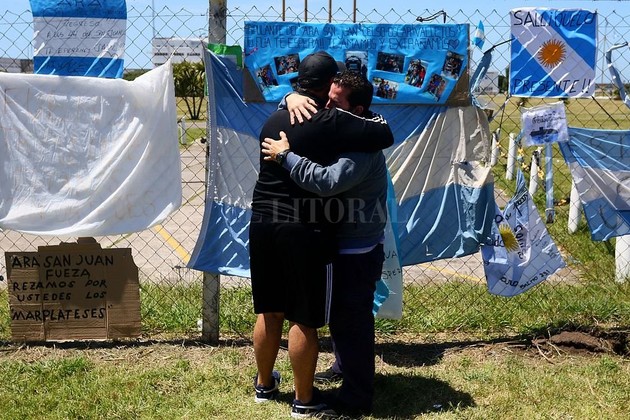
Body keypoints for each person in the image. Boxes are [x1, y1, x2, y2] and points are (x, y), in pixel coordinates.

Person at [249, 51, 393, 418]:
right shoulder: (331, 122)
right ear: (327, 85)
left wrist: (288, 100)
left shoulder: (274, 119)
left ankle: (264, 385)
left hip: (262, 222)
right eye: (331, 91)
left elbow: (331, 176)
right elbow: (383, 132)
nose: (331, 101)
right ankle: (304, 400)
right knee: (304, 317)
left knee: (269, 311)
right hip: (303, 228)